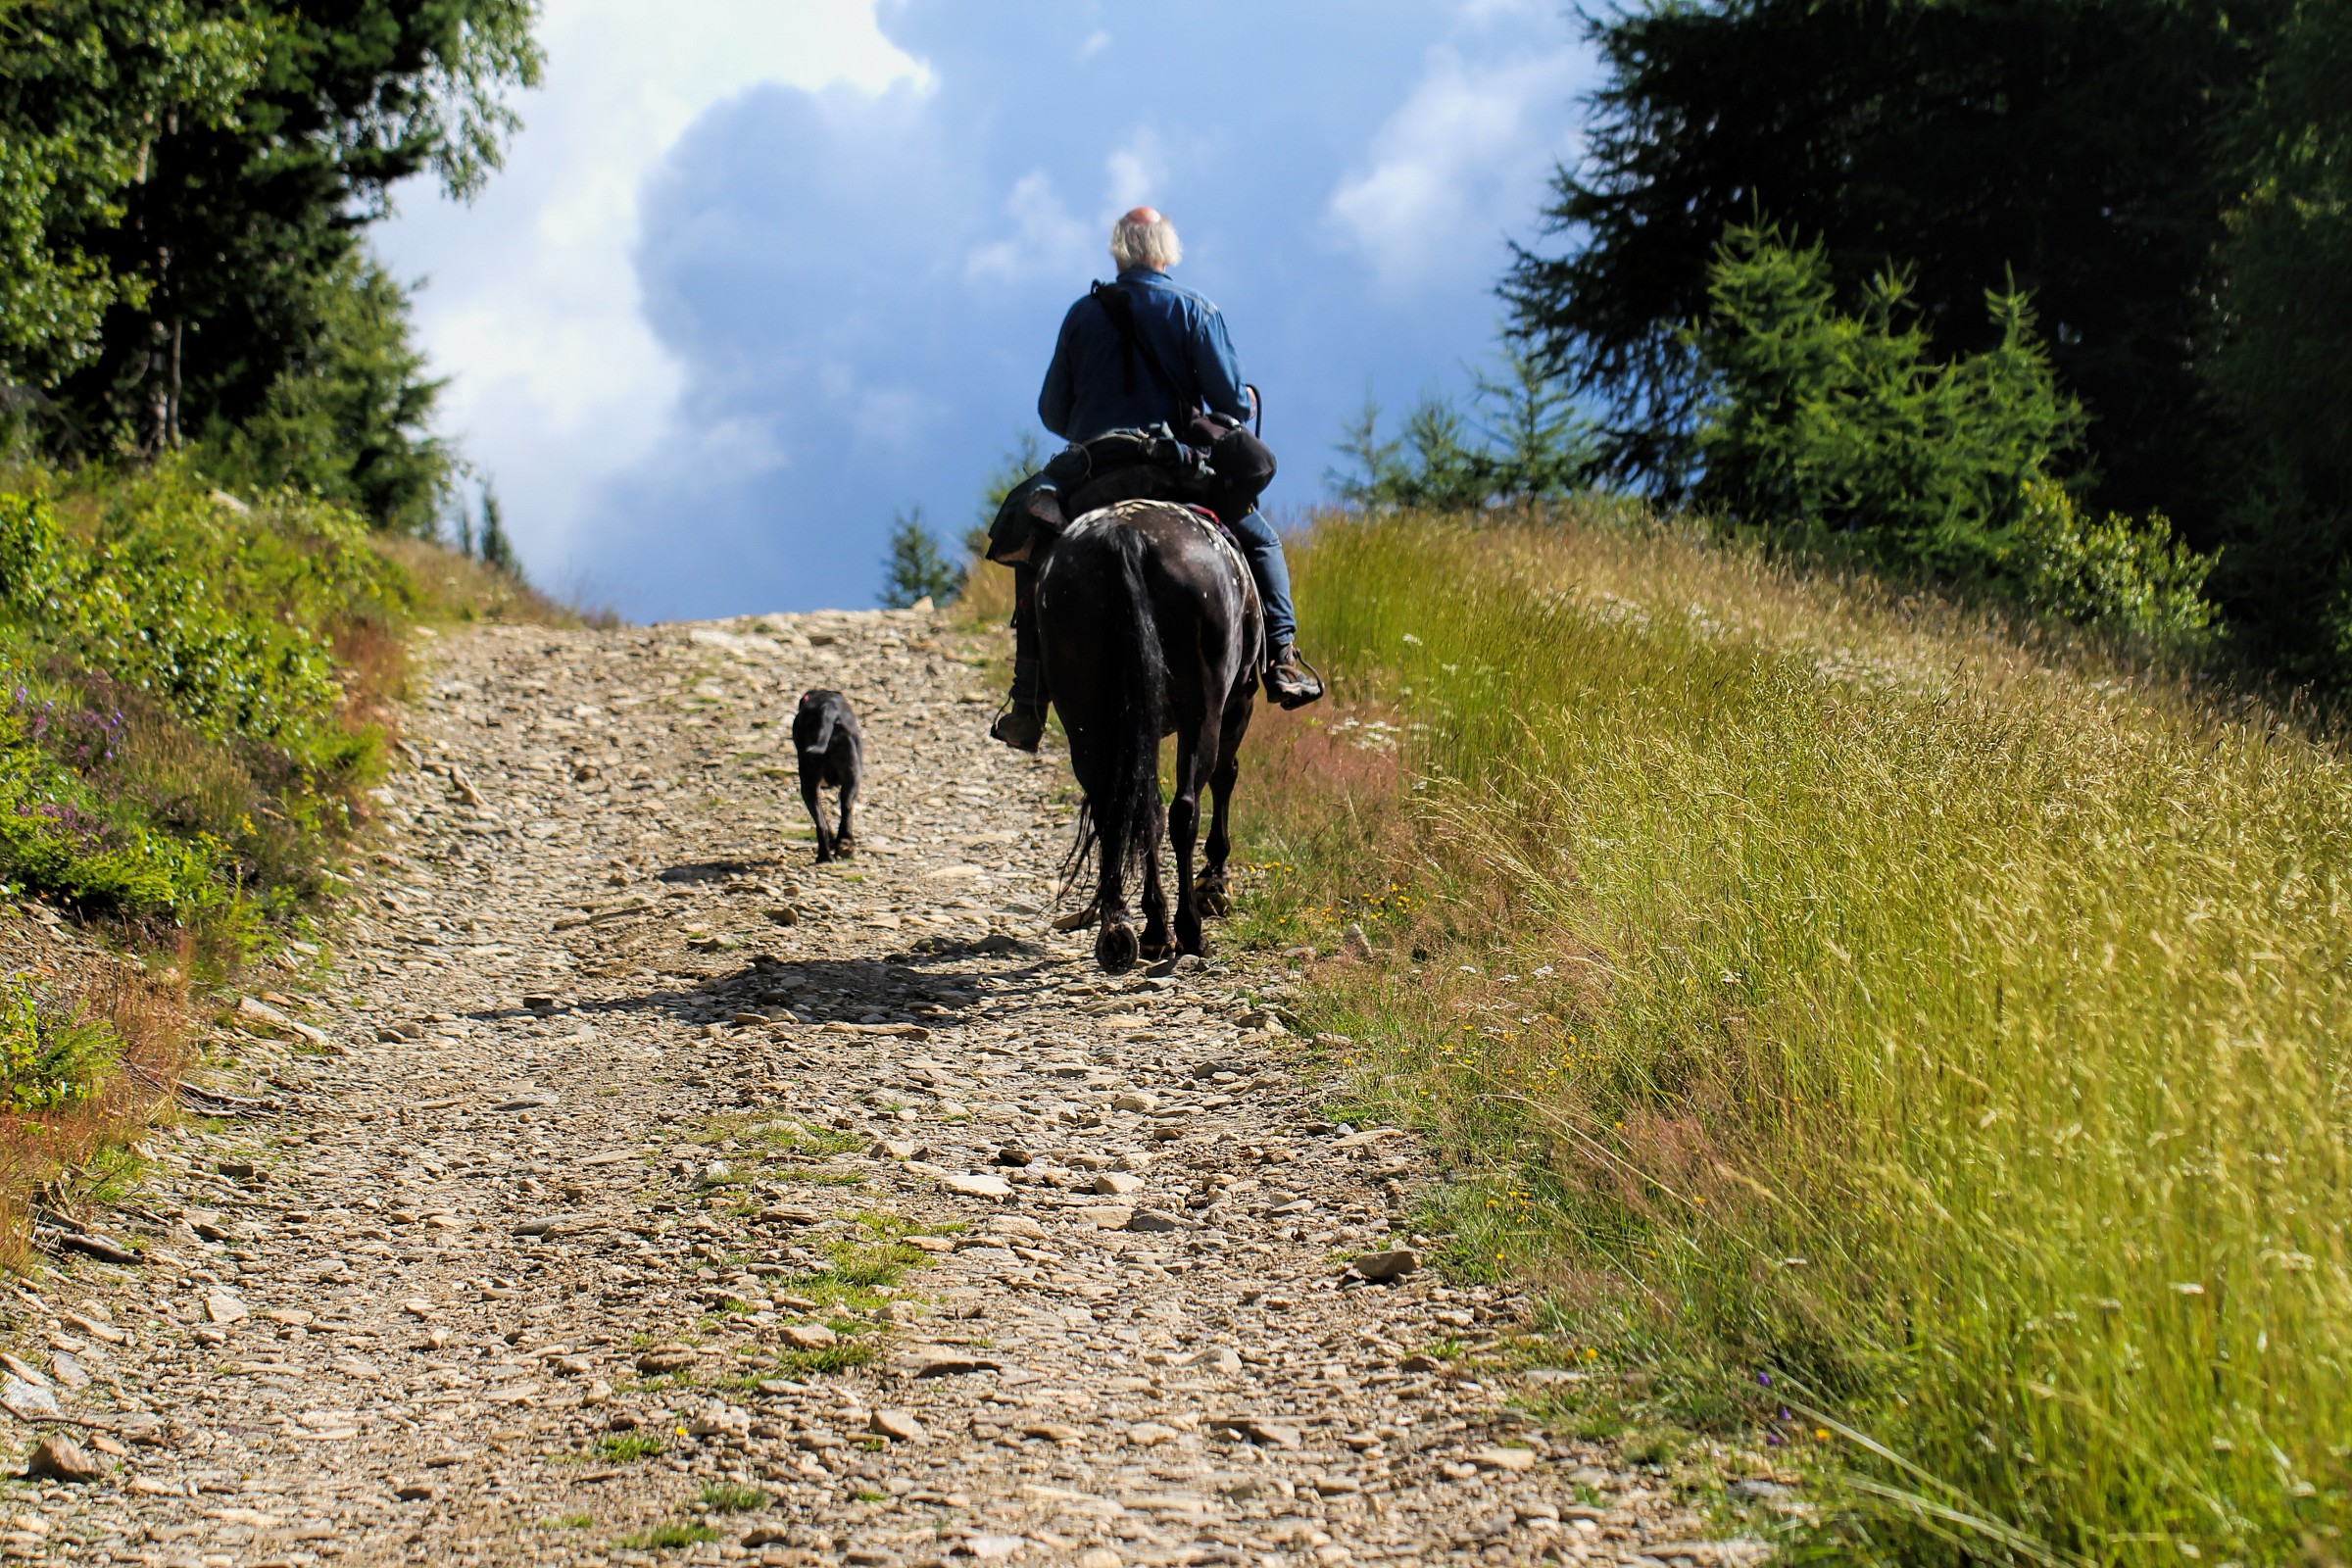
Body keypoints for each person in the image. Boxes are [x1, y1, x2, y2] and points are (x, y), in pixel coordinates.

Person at [990, 206, 1322, 752]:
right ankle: (1282, 659)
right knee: (1261, 540)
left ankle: (1027, 699)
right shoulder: (1195, 310)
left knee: (1035, 546)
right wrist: (1244, 401)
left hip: (1096, 469)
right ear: (1165, 253)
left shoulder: (1081, 315)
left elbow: (1053, 411)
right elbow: (1230, 401)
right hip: (1176, 469)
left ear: (1119, 252)